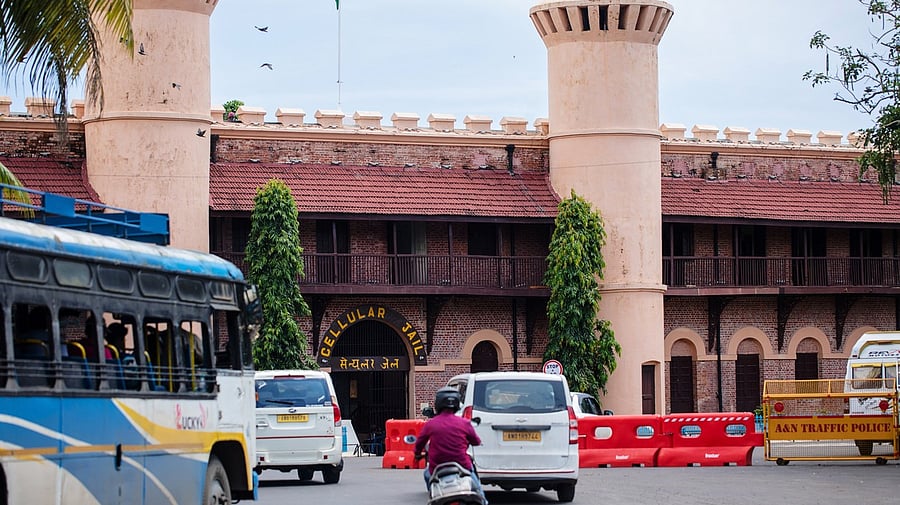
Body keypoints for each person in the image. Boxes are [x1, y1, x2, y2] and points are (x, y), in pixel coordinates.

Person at [413, 387, 487, 504]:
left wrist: (417, 454)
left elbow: (419, 443)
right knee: (477, 490)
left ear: (438, 404)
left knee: (427, 475)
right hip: (463, 465)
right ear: (457, 404)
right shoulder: (464, 423)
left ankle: (433, 497)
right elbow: (476, 441)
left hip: (436, 467)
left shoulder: (431, 424)